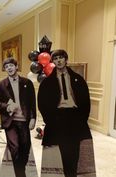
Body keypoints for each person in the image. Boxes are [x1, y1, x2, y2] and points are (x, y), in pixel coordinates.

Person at [37, 49, 93, 177]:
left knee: (74, 152)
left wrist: (82, 119)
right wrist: (49, 120)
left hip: (75, 118)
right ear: (53, 62)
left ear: (66, 60)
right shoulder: (46, 83)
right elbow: (42, 103)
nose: (58, 61)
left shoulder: (78, 79)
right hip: (57, 118)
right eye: (55, 59)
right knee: (60, 152)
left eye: (61, 58)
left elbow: (86, 101)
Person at [0, 58, 36, 177]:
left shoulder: (27, 83)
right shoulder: (0, 85)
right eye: (6, 67)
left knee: (25, 148)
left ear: (16, 67)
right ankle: (20, 174)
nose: (9, 68)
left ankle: (20, 170)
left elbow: (32, 102)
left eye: (11, 65)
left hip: (24, 121)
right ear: (5, 69)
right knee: (15, 148)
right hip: (10, 122)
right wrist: (7, 107)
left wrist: (33, 118)